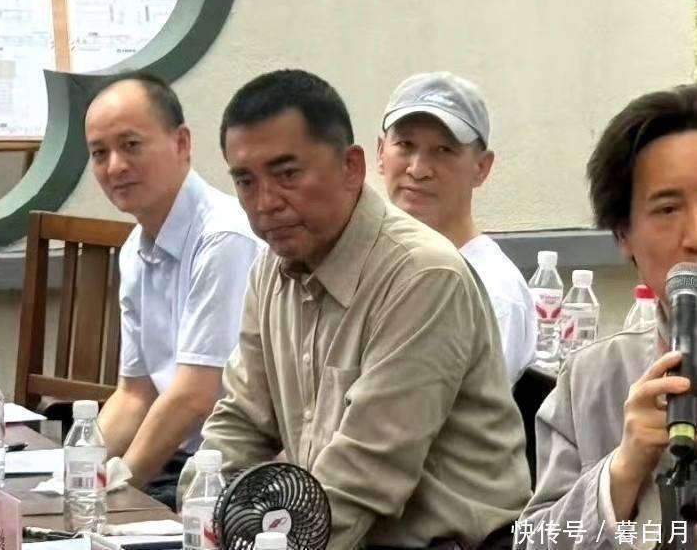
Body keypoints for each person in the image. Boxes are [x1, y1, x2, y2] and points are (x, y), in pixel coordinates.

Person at [191, 69, 531, 550]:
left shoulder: (423, 276)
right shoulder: (272, 265)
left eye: (287, 175)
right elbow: (240, 423)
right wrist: (203, 514)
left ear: (352, 166)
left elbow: (362, 477)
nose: (265, 203)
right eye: (245, 181)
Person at [518, 84, 697, 547]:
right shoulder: (590, 378)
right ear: (623, 235)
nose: (694, 235)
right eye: (668, 209)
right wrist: (622, 470)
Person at [84, 71, 260, 511]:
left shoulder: (223, 237)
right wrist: (74, 477)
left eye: (131, 145)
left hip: (226, 473)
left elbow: (195, 395)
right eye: (99, 153)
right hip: (172, 459)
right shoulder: (134, 248)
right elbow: (134, 394)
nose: (115, 166)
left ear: (181, 143)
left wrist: (114, 493)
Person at [377, 71, 536, 384]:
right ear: (381, 153)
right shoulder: (364, 267)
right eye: (405, 145)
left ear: (481, 167)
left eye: (443, 150)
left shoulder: (492, 293)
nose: (418, 169)